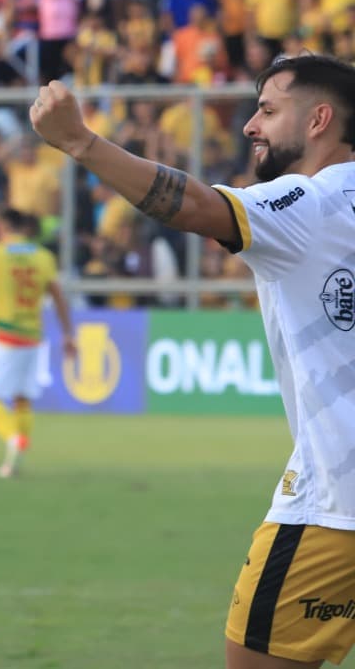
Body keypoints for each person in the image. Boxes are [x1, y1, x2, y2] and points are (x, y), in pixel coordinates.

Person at [29, 54, 355, 669]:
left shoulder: (310, 203)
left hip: (336, 506)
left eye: (267, 110)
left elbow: (197, 208)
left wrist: (80, 142)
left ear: (318, 120)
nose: (250, 126)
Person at [0, 207, 76, 478]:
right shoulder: (44, 257)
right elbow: (58, 297)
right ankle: (14, 460)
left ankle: (14, 438)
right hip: (32, 338)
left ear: (1, 226)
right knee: (22, 399)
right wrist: (68, 334)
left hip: (4, 336)